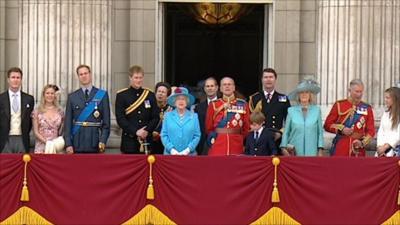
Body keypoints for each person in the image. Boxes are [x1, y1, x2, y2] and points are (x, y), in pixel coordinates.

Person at [64, 64, 110, 154]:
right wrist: (68, 143)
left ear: (90, 74)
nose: (84, 76)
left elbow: (106, 123)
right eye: (81, 74)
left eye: (86, 73)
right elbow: (68, 123)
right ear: (78, 77)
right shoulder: (72, 96)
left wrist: (103, 141)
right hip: (77, 142)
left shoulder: (102, 95)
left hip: (95, 142)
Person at [324, 79, 375, 157]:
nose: (359, 94)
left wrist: (362, 143)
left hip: (358, 149)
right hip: (341, 147)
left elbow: (371, 131)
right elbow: (327, 124)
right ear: (349, 90)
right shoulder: (339, 105)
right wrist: (342, 129)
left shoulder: (367, 108)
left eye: (361, 92)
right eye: (356, 91)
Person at [115, 65, 159, 154]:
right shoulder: (122, 95)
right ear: (130, 78)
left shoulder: (149, 95)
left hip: (147, 139)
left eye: (140, 77)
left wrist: (146, 131)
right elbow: (120, 118)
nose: (138, 80)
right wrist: (136, 131)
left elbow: (155, 117)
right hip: (129, 140)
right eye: (136, 78)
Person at [206, 77, 250, 155]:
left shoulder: (243, 104)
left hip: (236, 145)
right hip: (218, 145)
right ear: (220, 88)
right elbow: (209, 128)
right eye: (224, 85)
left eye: (229, 84)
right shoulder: (213, 105)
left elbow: (246, 127)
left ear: (234, 88)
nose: (227, 86)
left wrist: (239, 138)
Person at [280, 78, 324, 156]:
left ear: (310, 95)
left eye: (306, 92)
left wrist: (320, 149)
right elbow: (286, 132)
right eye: (301, 92)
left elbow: (320, 132)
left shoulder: (317, 110)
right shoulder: (291, 111)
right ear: (298, 96)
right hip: (295, 150)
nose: (304, 94)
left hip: (312, 151)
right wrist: (283, 147)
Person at [0, 67, 34, 153]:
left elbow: (30, 121)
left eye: (18, 78)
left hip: (22, 139)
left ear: (21, 80)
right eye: (13, 77)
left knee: (22, 165)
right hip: (5, 139)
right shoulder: (1, 98)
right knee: (6, 165)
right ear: (8, 80)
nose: (15, 80)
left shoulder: (29, 99)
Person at [249, 68, 291, 134]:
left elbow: (289, 120)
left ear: (275, 79)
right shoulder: (254, 98)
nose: (268, 79)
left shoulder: (283, 99)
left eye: (271, 77)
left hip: (276, 136)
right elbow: (250, 120)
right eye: (265, 77)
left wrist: (280, 133)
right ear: (262, 80)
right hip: (259, 137)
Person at [161, 87, 200, 155]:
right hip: (170, 155)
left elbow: (197, 135)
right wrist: (171, 149)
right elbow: (164, 135)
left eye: (183, 99)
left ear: (187, 102)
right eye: (178, 99)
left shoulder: (194, 116)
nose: (181, 101)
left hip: (189, 155)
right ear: (174, 102)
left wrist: (188, 150)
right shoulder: (168, 116)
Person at [32, 85, 65, 154]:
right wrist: (48, 143)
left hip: (56, 146)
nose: (50, 95)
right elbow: (36, 132)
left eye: (52, 93)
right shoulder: (37, 111)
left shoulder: (60, 111)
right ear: (43, 95)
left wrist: (56, 143)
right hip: (41, 147)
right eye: (47, 93)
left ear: (55, 95)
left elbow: (61, 131)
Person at [194, 77, 219, 155]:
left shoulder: (224, 104)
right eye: (207, 86)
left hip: (220, 142)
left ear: (217, 88)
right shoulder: (198, 107)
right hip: (203, 145)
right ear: (204, 89)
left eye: (212, 86)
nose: (210, 88)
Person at [375, 87, 400, 157]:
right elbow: (381, 131)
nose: (385, 100)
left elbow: (398, 134)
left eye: (387, 98)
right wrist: (379, 146)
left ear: (395, 99)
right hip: (382, 151)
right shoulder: (385, 114)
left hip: (395, 151)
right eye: (385, 97)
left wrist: (386, 146)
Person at [152, 82, 173, 154]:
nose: (160, 94)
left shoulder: (170, 109)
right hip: (150, 141)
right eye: (159, 91)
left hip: (164, 144)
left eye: (163, 92)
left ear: (167, 95)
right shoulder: (149, 107)